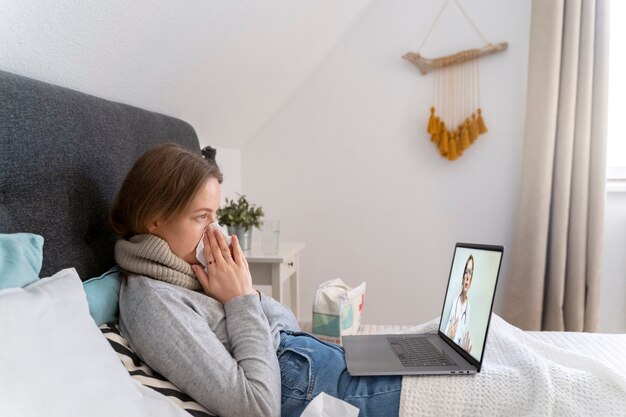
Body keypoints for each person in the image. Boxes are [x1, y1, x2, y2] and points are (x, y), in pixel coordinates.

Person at [110, 143, 401, 417]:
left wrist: (245, 291)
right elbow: (257, 408)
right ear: (154, 218)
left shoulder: (187, 270)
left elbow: (288, 323)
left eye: (216, 216)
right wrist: (240, 301)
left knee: (430, 356)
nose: (216, 232)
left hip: (319, 362)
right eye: (201, 217)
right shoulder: (154, 303)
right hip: (320, 391)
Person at [444, 254, 474, 352]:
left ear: (471, 280)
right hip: (447, 349)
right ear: (462, 277)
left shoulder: (468, 308)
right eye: (466, 271)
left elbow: (463, 337)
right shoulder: (454, 302)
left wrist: (465, 352)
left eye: (470, 273)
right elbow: (444, 339)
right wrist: (448, 336)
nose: (467, 276)